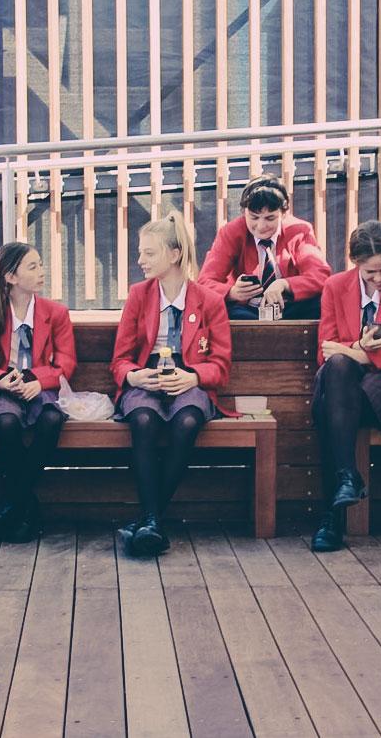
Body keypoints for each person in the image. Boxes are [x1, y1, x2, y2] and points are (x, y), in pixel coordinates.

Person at [112, 213, 233, 556]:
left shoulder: (209, 301)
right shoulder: (139, 296)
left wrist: (194, 377)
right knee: (143, 419)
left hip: (188, 378)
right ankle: (152, 521)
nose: (140, 260)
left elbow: (221, 365)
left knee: (188, 420)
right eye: (141, 252)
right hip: (146, 378)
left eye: (149, 253)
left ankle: (149, 520)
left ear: (175, 254)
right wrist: (133, 376)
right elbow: (120, 360)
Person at [309, 221, 381, 552]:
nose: (379, 278)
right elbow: (325, 350)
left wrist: (364, 355)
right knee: (337, 373)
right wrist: (356, 349)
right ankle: (347, 478)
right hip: (343, 384)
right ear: (355, 263)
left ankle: (332, 518)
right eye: (370, 272)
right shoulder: (335, 287)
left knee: (330, 407)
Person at [0, 242, 77, 542]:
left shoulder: (55, 313)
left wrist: (39, 381)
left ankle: (7, 506)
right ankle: (27, 509)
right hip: (2, 391)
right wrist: (0, 380)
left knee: (51, 419)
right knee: (7, 422)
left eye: (40, 264)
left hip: (39, 389)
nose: (41, 272)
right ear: (10, 277)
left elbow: (66, 362)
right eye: (32, 267)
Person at [197, 173, 331, 320]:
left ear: (283, 213)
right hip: (247, 310)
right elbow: (205, 283)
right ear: (243, 212)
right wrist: (231, 292)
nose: (261, 226)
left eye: (270, 218)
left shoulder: (299, 230)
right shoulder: (230, 232)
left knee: (323, 302)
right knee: (216, 309)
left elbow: (320, 276)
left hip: (290, 307)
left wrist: (285, 284)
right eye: (254, 217)